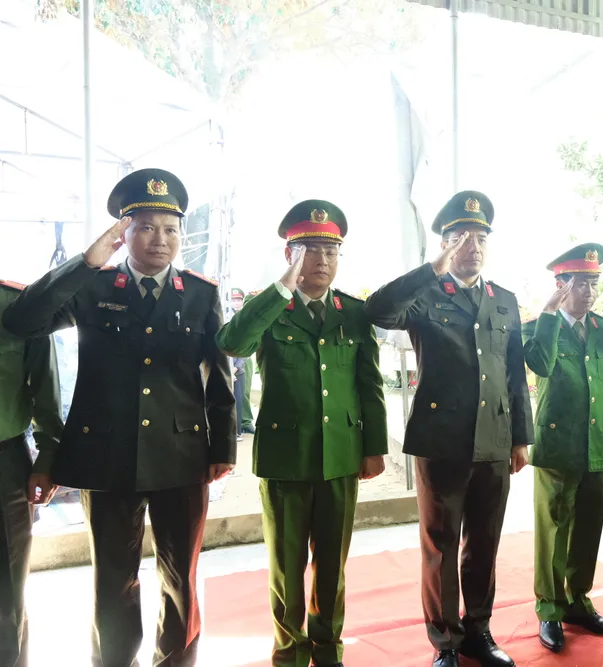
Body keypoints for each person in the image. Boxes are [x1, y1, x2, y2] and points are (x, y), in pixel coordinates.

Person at [1, 168, 237, 666]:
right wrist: (85, 263)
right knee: (113, 580)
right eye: (147, 227)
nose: (160, 239)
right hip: (105, 457)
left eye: (171, 229)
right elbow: (23, 320)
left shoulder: (199, 292)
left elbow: (219, 376)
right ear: (122, 233)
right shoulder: (92, 286)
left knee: (181, 579)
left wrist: (223, 449)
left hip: (181, 456)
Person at [364, 192, 533, 667]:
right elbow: (377, 311)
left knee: (485, 542)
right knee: (441, 547)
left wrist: (521, 437)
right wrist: (430, 270)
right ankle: (446, 643)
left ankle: (479, 631)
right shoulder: (426, 295)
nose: (473, 246)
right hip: (441, 443)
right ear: (444, 244)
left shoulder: (505, 301)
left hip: (494, 442)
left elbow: (515, 373)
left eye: (480, 238)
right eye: (461, 237)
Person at [216, 200, 388, 667]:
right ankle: (290, 650)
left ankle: (329, 648)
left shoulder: (353, 313)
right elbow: (233, 344)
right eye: (311, 250)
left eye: (332, 251)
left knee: (332, 565)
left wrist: (374, 449)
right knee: (287, 567)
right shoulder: (271, 308)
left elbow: (369, 384)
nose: (323, 261)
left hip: (340, 457)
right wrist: (280, 289)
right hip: (286, 459)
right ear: (290, 255)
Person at [521, 243, 603, 653]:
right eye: (581, 283)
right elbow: (540, 366)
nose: (589, 292)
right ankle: (549, 609)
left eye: (594, 284)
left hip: (597, 444)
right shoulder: (539, 327)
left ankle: (579, 600)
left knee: (588, 527)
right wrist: (547, 314)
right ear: (560, 286)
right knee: (554, 528)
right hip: (559, 445)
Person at [0, 279, 63, 667]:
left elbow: (46, 392)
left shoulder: (19, 306)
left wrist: (48, 460)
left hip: (4, 464)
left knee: (6, 596)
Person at [229, 287, 257, 435]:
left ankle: (245, 421)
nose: (236, 303)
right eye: (233, 300)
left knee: (245, 390)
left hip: (244, 357)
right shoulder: (226, 315)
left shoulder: (245, 316)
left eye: (239, 300)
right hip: (228, 358)